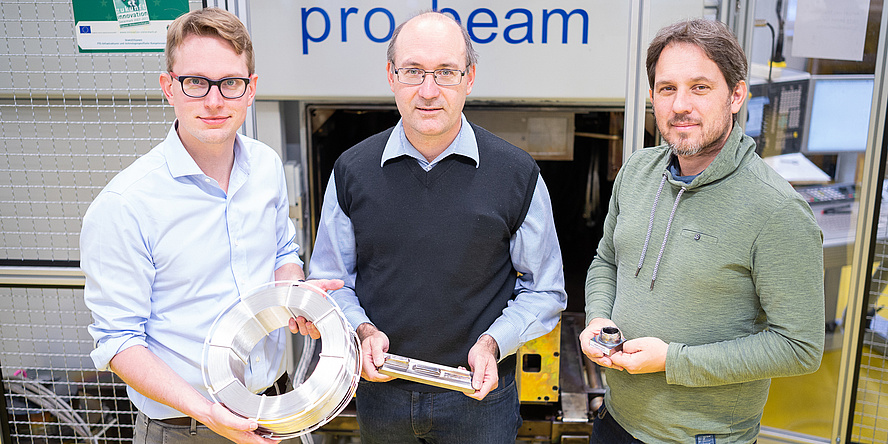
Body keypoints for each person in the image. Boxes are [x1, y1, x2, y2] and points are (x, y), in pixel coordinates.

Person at [80, 8, 341, 444]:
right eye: (196, 82)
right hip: (188, 428)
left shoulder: (265, 167)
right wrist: (209, 413)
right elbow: (118, 341)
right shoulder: (124, 206)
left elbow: (281, 254)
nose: (215, 101)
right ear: (169, 87)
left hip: (275, 406)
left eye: (230, 83)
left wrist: (295, 296)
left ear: (250, 89)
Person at [305, 11, 567, 444]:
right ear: (391, 76)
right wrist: (361, 330)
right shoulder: (352, 170)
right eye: (413, 72)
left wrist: (493, 343)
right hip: (381, 396)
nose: (428, 91)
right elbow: (332, 283)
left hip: (480, 399)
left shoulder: (516, 173)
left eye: (445, 72)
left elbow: (545, 290)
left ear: (470, 78)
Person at [579, 18, 824, 443]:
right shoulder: (637, 171)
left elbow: (799, 347)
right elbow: (607, 261)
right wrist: (600, 318)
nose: (679, 105)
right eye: (667, 88)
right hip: (615, 419)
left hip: (699, 436)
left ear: (736, 95)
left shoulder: (776, 210)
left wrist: (673, 361)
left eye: (700, 87)